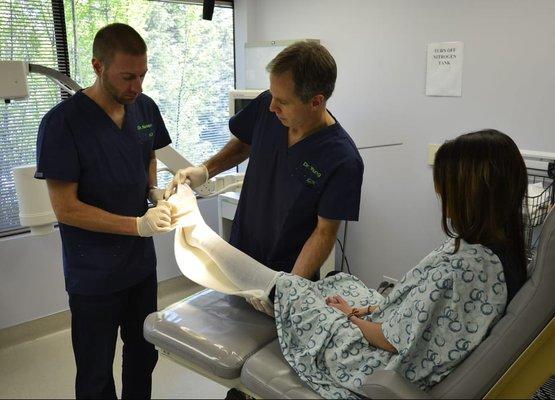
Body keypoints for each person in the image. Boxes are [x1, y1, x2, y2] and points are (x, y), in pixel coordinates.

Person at [166, 129, 528, 399]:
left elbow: (391, 339)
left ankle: (199, 235)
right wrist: (364, 308)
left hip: (374, 366)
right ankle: (274, 292)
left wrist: (352, 318)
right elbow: (420, 309)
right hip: (388, 330)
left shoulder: (467, 268)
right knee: (338, 282)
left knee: (292, 286)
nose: (442, 200)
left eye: (446, 192)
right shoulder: (499, 254)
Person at [35, 23, 172, 399]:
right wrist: (136, 225)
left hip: (140, 267)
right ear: (98, 65)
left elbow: (148, 154)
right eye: (128, 77)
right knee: (96, 372)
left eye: (143, 75)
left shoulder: (143, 108)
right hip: (93, 273)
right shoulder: (63, 124)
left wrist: (153, 190)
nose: (137, 86)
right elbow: (66, 209)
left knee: (143, 354)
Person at [165, 41, 364, 296]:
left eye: (282, 101)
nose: (272, 107)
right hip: (237, 256)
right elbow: (243, 144)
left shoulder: (342, 159)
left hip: (284, 272)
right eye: (272, 96)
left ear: (316, 102)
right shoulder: (266, 107)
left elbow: (324, 233)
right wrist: (205, 170)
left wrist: (286, 289)